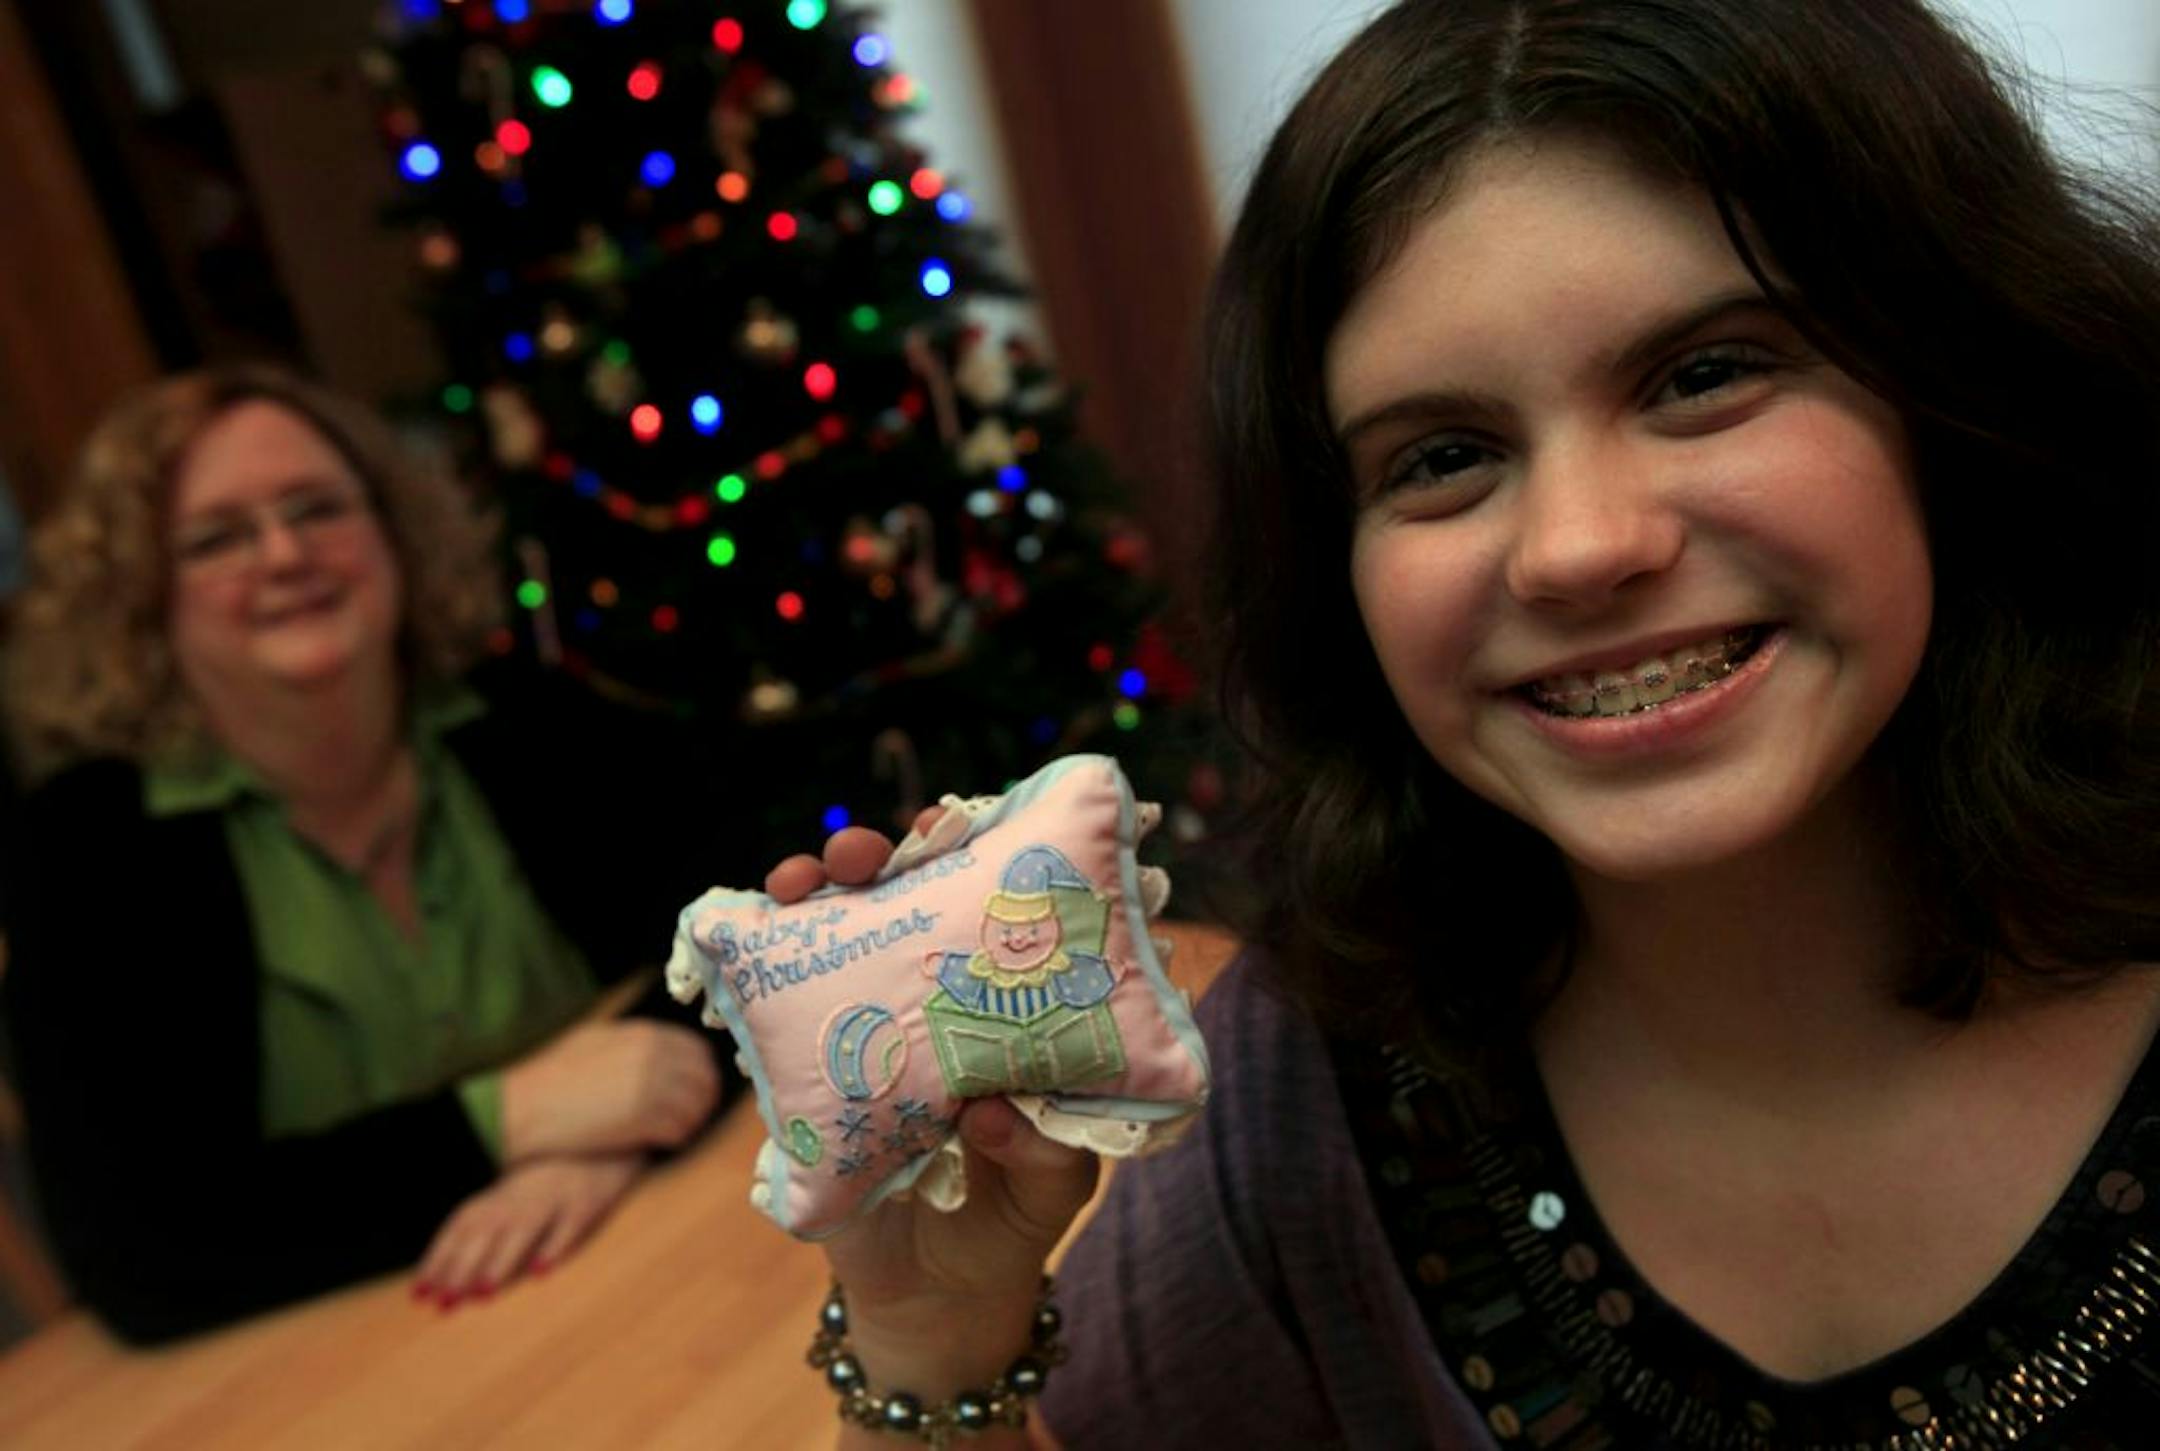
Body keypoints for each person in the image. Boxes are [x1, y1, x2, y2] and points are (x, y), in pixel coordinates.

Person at [764, 1, 2160, 1445]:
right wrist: (934, 1328)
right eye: (1443, 457)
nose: (1574, 546)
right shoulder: (1299, 1103)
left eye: (1704, 374)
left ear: (1964, 399)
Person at [1, 364, 741, 1345]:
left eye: (316, 508)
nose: (284, 553)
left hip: (642, 1281)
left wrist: (603, 1144)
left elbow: (749, 941)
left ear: (394, 532)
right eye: (219, 535)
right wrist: (510, 1118)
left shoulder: (526, 719)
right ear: (146, 597)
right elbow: (141, 1246)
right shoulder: (89, 845)